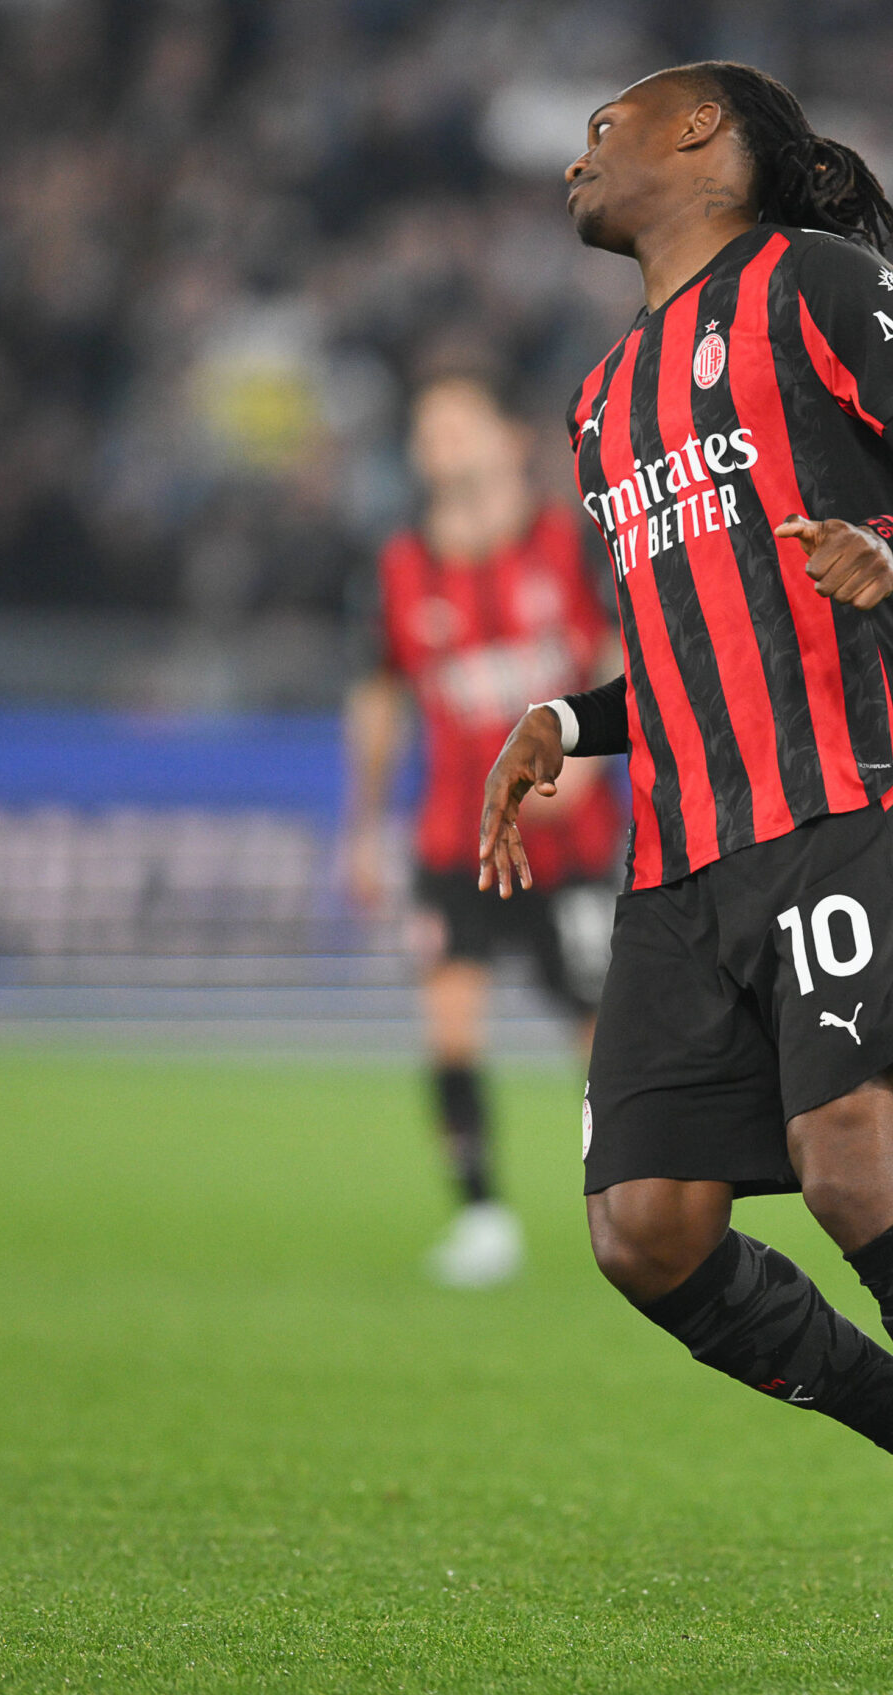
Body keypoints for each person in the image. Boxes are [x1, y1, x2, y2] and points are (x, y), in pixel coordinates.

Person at [477, 63, 893, 1664]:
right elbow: (697, 640)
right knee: (644, 1227)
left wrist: (891, 544)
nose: (578, 152)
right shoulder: (602, 396)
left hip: (843, 788)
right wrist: (568, 712)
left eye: (604, 124)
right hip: (685, 840)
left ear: (703, 132)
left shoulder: (821, 284)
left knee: (848, 1161)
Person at [346, 375, 623, 1288]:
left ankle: (625, 1202)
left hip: (570, 843)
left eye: (461, 424)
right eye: (429, 430)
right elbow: (381, 693)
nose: (444, 445)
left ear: (508, 438)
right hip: (453, 839)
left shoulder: (569, 543)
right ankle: (480, 1217)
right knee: (450, 1025)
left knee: (601, 1035)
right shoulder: (399, 568)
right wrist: (363, 823)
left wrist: (587, 763)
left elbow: (624, 649)